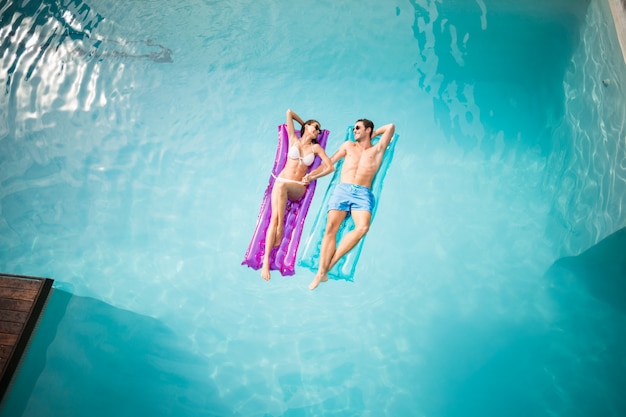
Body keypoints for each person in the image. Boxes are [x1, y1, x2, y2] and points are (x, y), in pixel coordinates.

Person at [302, 118, 395, 290]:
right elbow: (328, 163)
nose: (354, 130)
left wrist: (375, 134)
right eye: (353, 128)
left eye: (358, 128)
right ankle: (321, 273)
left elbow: (390, 127)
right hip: (342, 190)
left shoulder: (378, 149)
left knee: (362, 228)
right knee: (331, 227)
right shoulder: (348, 146)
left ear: (368, 130)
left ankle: (326, 269)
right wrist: (311, 176)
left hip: (363, 194)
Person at [261, 109, 334, 281]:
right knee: (274, 216)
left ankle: (280, 230)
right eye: (315, 127)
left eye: (319, 131)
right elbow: (289, 112)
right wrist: (304, 126)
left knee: (281, 184)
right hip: (281, 184)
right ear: (307, 126)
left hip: (297, 188)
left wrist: (312, 176)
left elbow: (330, 167)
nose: (317, 131)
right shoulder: (293, 139)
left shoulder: (315, 147)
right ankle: (265, 263)